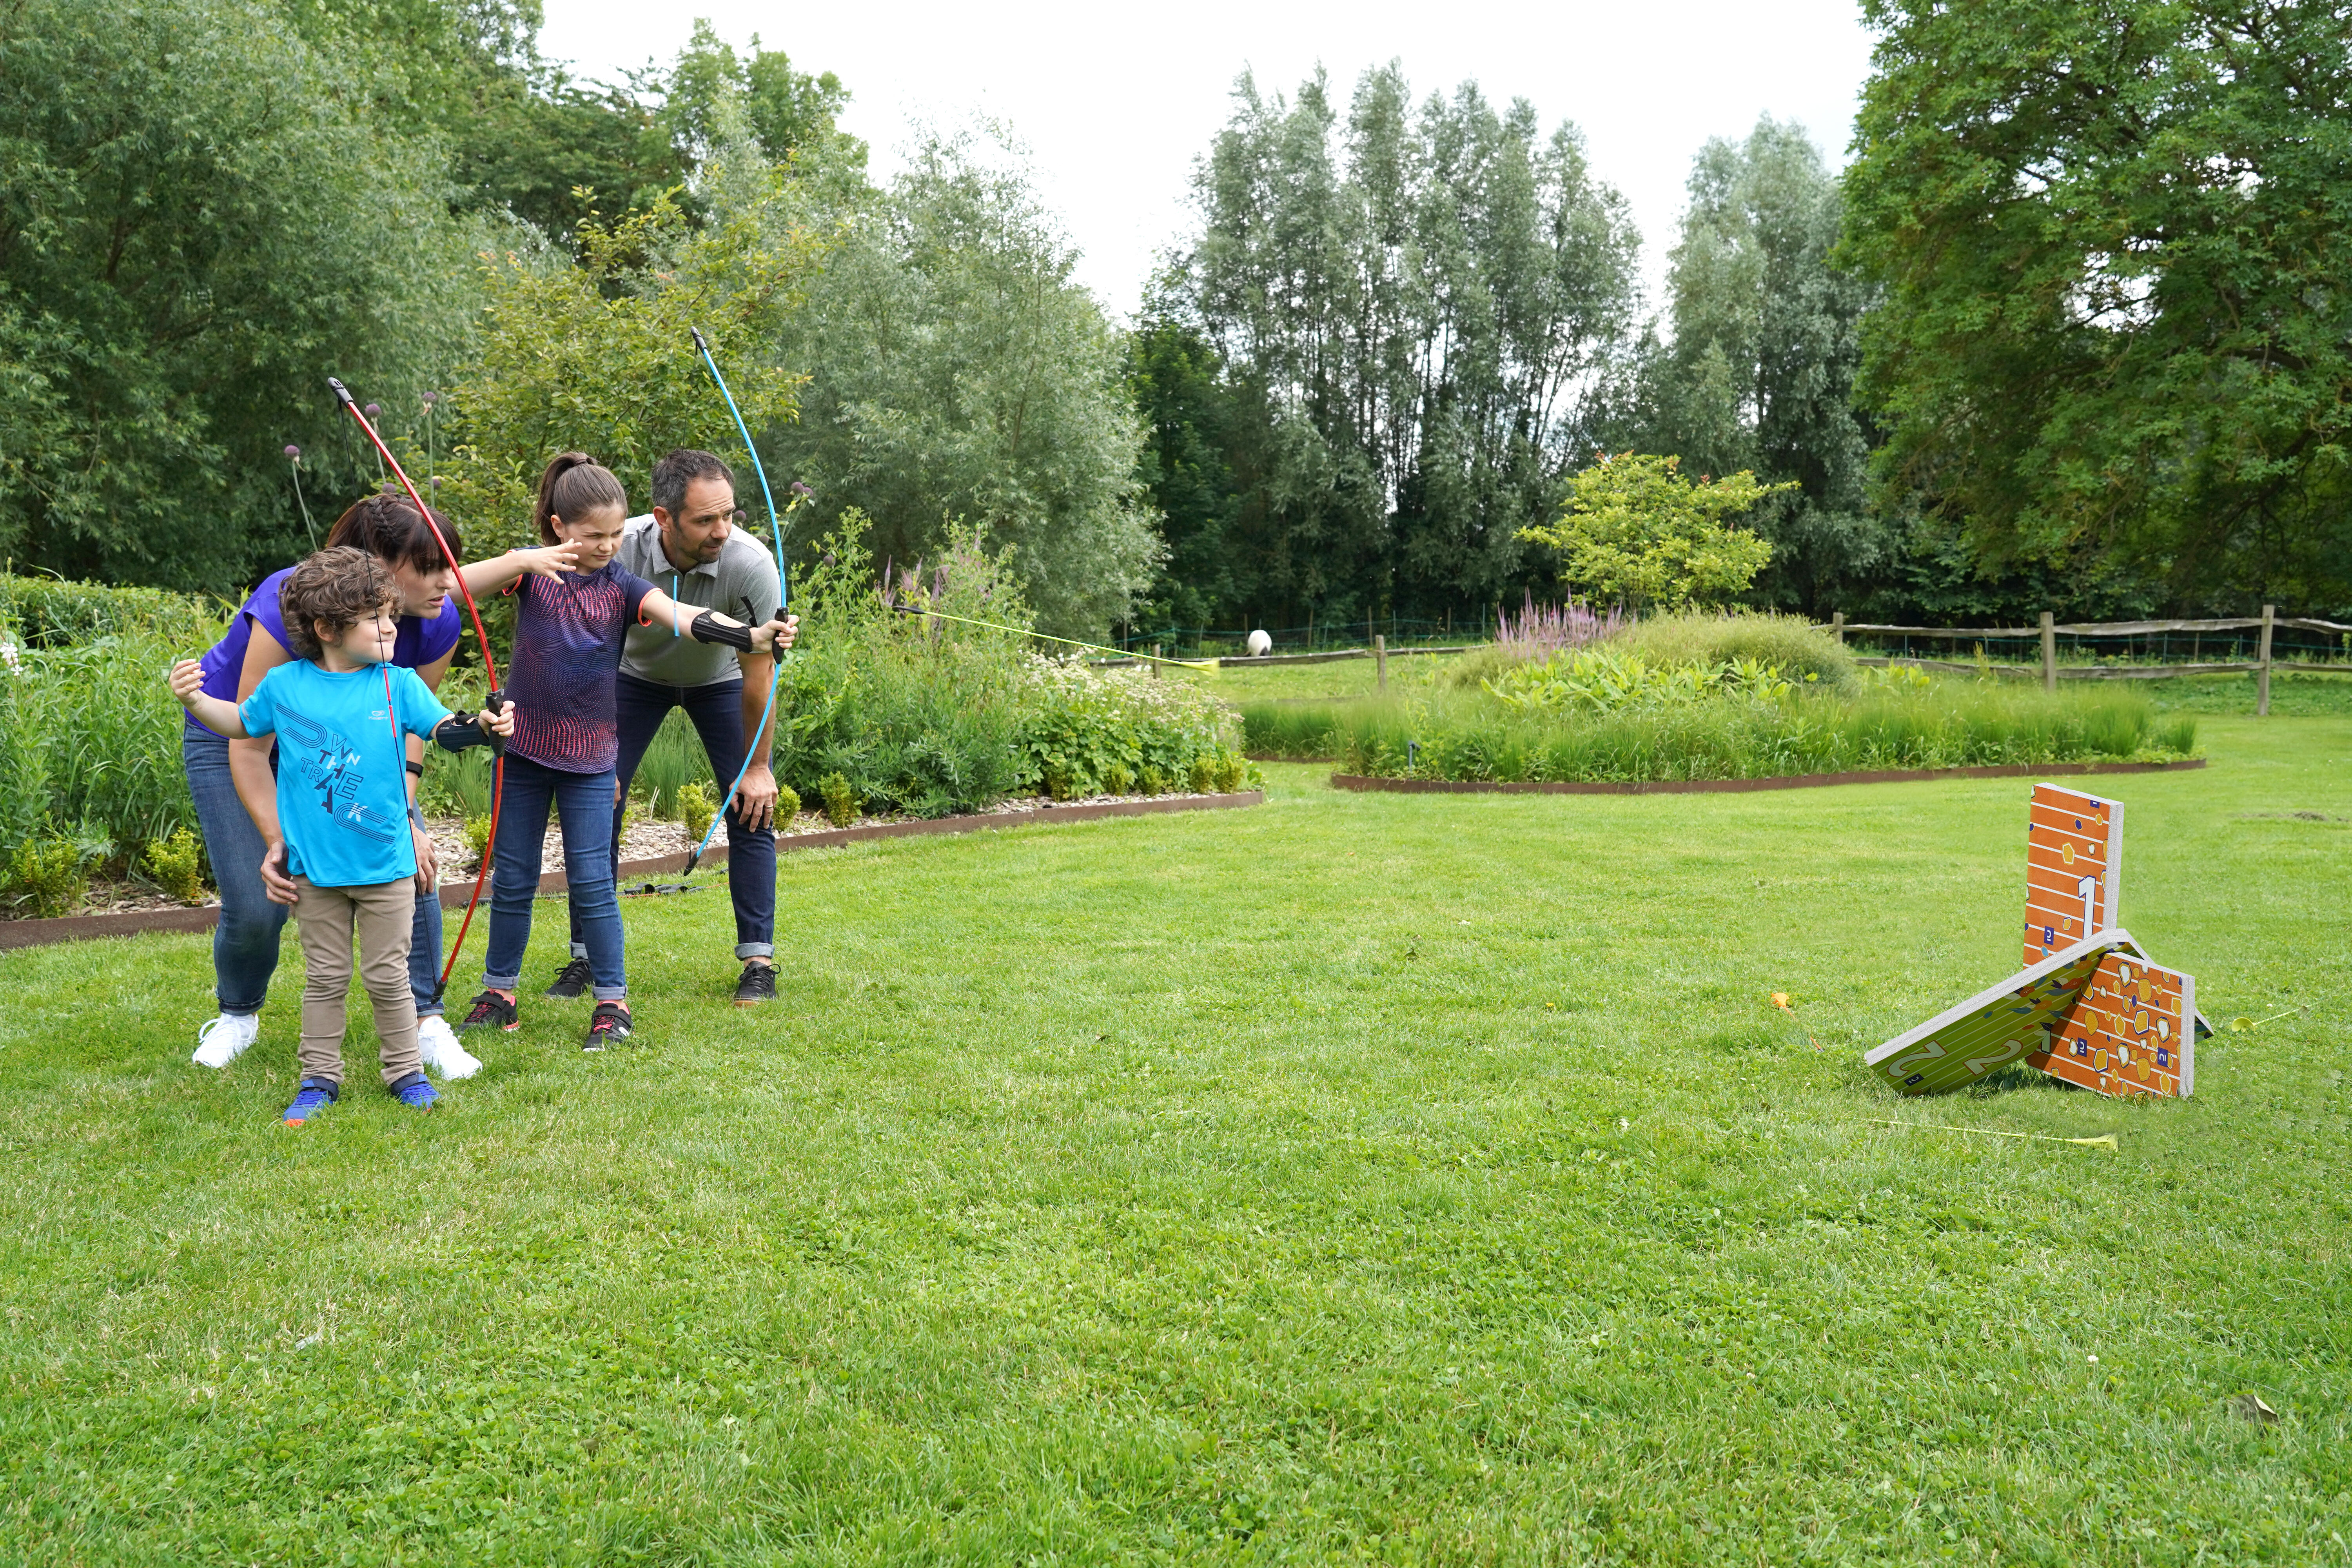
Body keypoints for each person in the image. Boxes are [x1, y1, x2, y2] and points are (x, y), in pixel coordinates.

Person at [452, 453, 797, 1051]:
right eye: (594, 536)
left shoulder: (623, 586)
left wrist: (750, 635)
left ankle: (612, 1002)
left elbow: (684, 617)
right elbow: (450, 589)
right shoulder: (531, 575)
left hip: (590, 759)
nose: (610, 546)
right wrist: (520, 560)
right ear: (559, 527)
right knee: (512, 877)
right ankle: (499, 993)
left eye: (616, 534)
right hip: (525, 751)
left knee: (592, 880)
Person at [169, 548, 515, 1124]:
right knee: (325, 979)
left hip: (387, 868)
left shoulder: (398, 685)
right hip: (317, 872)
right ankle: (318, 1079)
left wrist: (482, 726)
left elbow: (444, 730)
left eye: (391, 615)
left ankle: (406, 1072)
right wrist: (196, 699)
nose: (391, 627)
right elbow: (238, 726)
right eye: (376, 618)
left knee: (388, 976)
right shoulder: (284, 687)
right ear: (328, 629)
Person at [545, 448, 788, 1007]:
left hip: (722, 679)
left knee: (753, 805)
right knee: (596, 804)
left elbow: (760, 673)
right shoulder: (616, 546)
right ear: (663, 518)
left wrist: (756, 767)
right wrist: (589, 749)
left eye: (729, 515)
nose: (722, 531)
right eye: (706, 520)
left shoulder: (750, 565)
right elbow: (583, 647)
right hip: (630, 678)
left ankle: (759, 962)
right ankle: (586, 957)